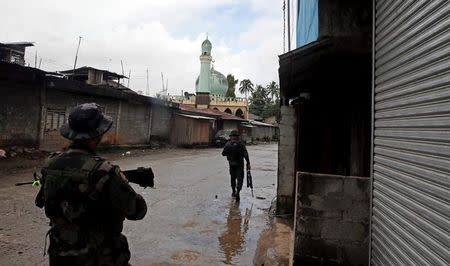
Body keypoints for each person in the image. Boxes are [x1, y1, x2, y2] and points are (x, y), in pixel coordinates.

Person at [35, 103, 147, 266]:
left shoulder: (50, 163)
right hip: (99, 256)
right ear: (97, 135)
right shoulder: (105, 171)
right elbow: (138, 211)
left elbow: (47, 200)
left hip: (61, 254)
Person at [221, 130, 250, 201]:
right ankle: (238, 192)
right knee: (240, 179)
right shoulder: (241, 144)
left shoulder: (227, 144)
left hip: (231, 165)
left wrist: (229, 151)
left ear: (231, 137)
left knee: (233, 179)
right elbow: (246, 154)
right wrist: (248, 163)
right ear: (237, 137)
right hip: (240, 165)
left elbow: (223, 154)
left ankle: (234, 192)